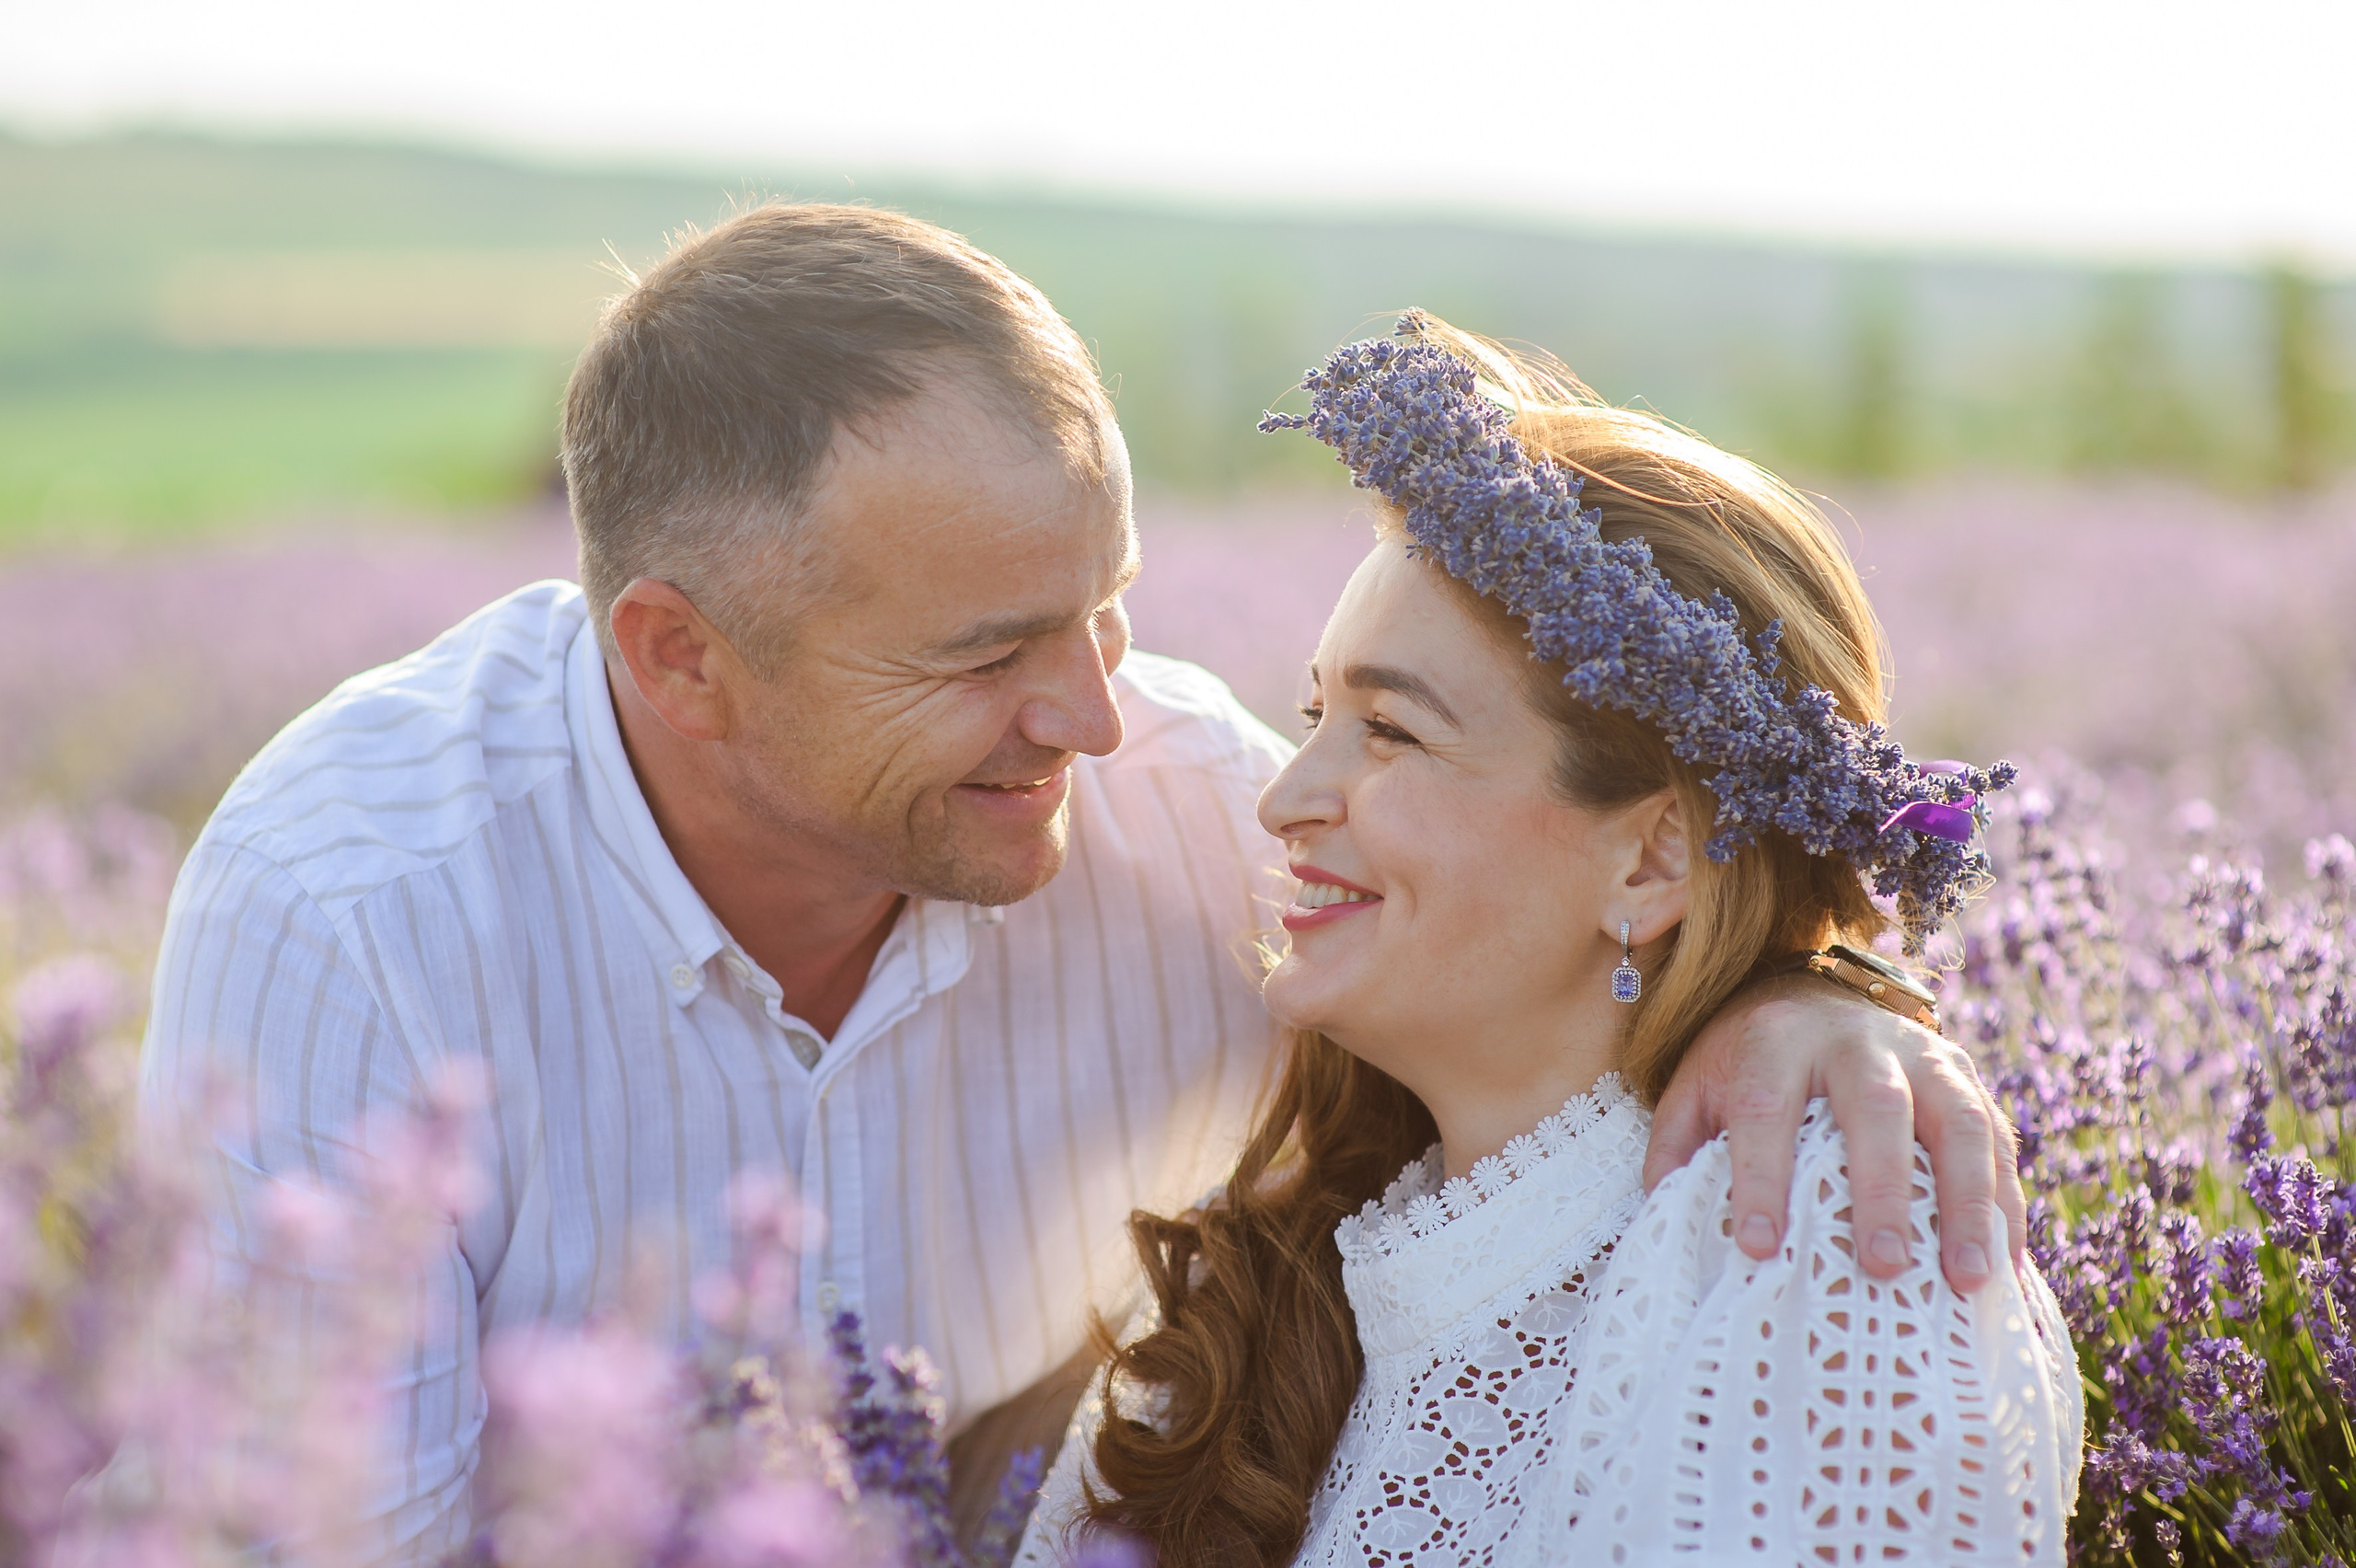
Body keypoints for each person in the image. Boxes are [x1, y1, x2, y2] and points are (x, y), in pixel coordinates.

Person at [140, 206, 2027, 1562]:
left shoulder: (1186, 817)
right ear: (680, 658)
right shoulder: (360, 911)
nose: (1102, 716)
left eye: (1105, 610)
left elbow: (1584, 890)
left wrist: (1811, 992)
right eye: (987, 654)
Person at [1017, 319, 2083, 1567]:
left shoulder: (1810, 1243)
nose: (1282, 797)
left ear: (1651, 861)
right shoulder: (1262, 1275)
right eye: (1316, 714)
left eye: (1392, 731)